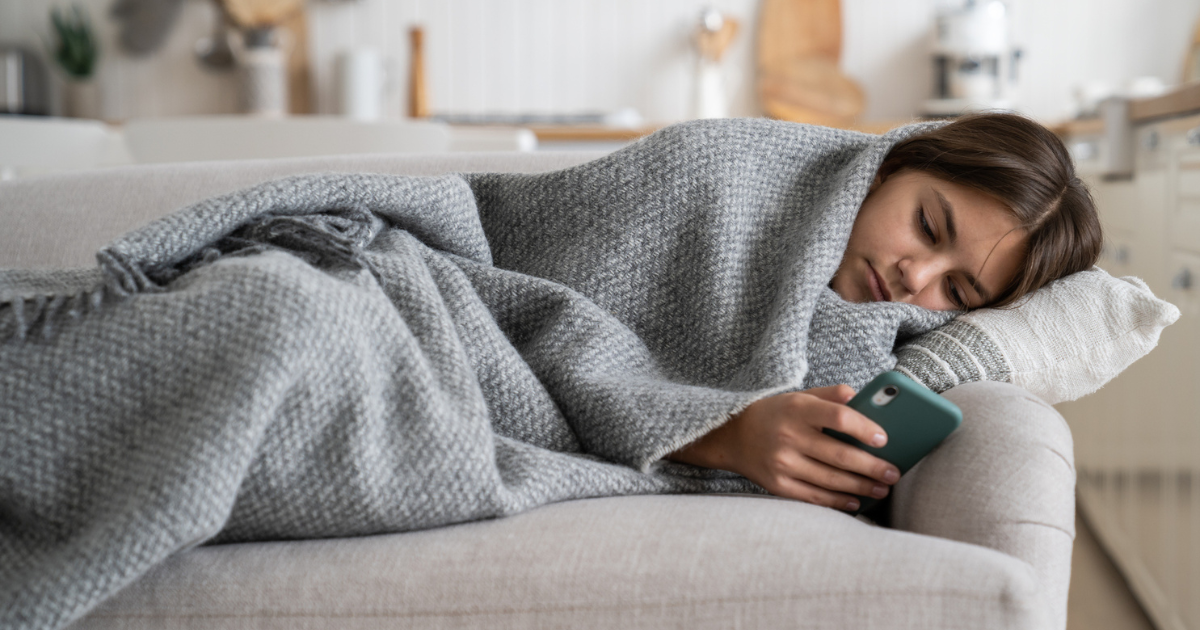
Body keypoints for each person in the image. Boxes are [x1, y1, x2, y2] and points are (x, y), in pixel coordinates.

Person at [668, 112, 1103, 513]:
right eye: (927, 227)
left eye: (954, 289)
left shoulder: (898, 341)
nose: (914, 277)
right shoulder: (706, 166)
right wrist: (725, 436)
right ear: (893, 168)